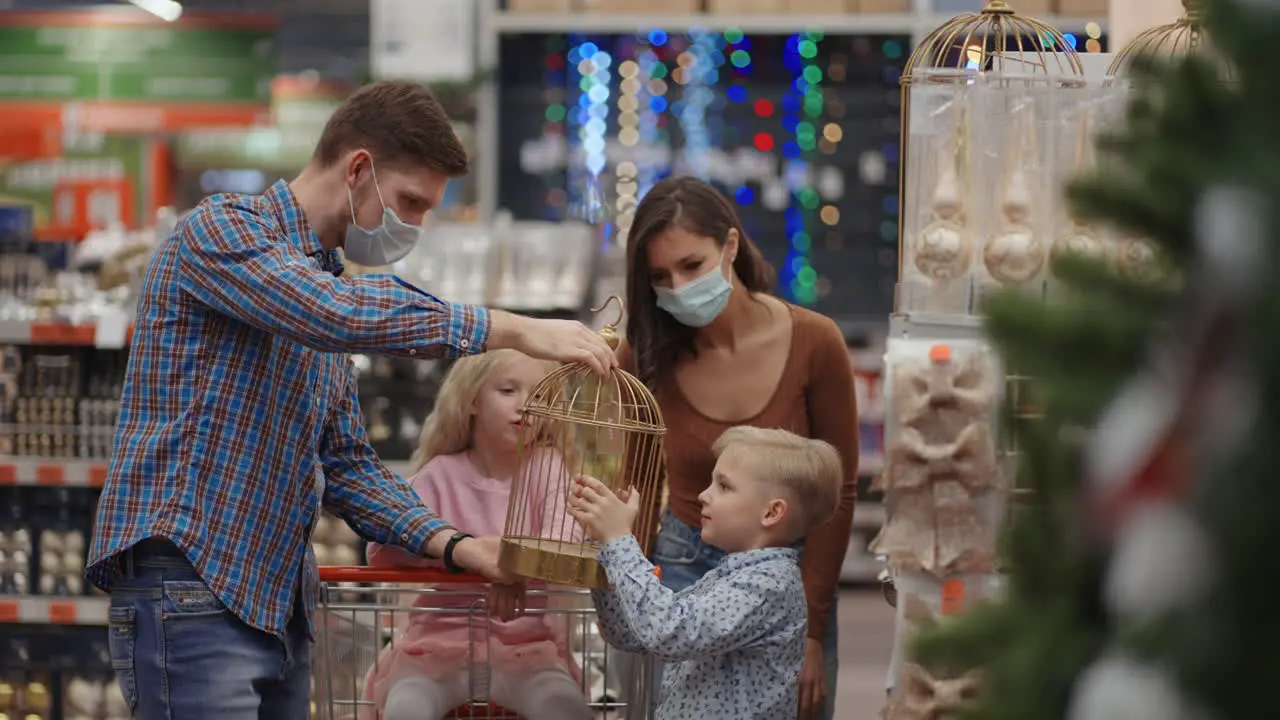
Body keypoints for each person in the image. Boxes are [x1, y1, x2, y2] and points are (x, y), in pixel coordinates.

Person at [86, 80, 616, 720]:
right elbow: (330, 312)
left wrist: (455, 544)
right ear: (358, 168)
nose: (414, 228)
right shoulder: (221, 233)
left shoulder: (325, 298)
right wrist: (518, 328)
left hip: (278, 602)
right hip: (193, 585)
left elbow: (349, 468)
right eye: (409, 202)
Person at [617, 176, 859, 719]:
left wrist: (813, 629)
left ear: (730, 246)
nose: (677, 287)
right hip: (679, 568)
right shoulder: (649, 351)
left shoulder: (815, 342)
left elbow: (838, 492)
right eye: (659, 277)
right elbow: (622, 471)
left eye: (691, 265)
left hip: (789, 577)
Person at [361, 350, 589, 720]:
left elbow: (565, 539)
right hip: (436, 648)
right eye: (508, 390)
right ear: (471, 401)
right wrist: (474, 560)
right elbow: (383, 547)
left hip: (527, 650)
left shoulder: (549, 468)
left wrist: (509, 566)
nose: (526, 406)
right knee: (407, 709)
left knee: (565, 708)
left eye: (540, 396)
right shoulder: (439, 474)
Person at [568, 426, 844, 720]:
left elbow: (668, 631)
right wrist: (604, 551)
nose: (703, 495)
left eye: (723, 486)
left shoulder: (767, 585)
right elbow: (632, 634)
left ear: (771, 513)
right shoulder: (729, 576)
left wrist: (620, 540)